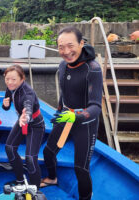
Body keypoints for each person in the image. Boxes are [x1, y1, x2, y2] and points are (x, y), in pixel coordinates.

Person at [40, 26, 102, 200]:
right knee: (48, 152)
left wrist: (77, 116)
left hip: (86, 123)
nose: (66, 51)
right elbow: (65, 94)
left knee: (81, 168)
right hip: (66, 116)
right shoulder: (63, 65)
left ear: (81, 43)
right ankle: (52, 178)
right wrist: (59, 111)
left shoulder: (93, 68)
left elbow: (96, 107)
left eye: (70, 45)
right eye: (61, 47)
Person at [2, 65, 46, 194]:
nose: (10, 82)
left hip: (35, 125)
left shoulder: (28, 92)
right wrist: (5, 105)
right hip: (22, 122)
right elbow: (7, 105)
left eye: (14, 79)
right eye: (7, 79)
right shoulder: (10, 87)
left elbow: (28, 106)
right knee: (9, 148)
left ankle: (35, 190)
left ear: (22, 79)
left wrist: (25, 117)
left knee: (30, 159)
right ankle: (20, 180)